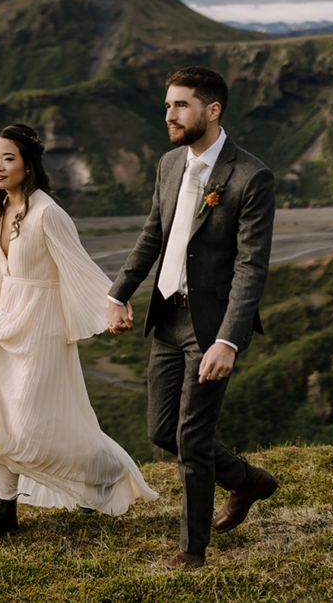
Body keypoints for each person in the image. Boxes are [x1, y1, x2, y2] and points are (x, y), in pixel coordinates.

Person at [0, 123, 158, 540]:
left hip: (40, 327)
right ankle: (5, 512)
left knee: (30, 424)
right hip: (4, 323)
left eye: (8, 158)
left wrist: (114, 305)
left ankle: (106, 474)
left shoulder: (47, 213)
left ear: (28, 164)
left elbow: (79, 266)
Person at [106, 66, 279, 571]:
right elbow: (152, 235)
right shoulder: (167, 165)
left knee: (193, 438)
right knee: (163, 432)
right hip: (166, 318)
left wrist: (229, 339)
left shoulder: (251, 176)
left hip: (211, 326)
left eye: (180, 105)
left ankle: (192, 549)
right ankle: (249, 481)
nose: (169, 114)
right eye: (167, 105)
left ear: (212, 110)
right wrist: (118, 293)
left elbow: (252, 267)